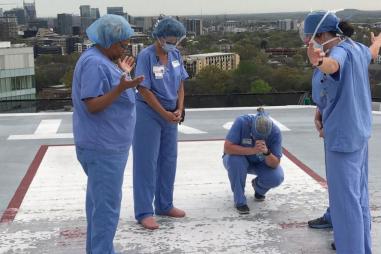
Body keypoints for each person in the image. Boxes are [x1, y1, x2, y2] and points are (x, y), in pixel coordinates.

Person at [302, 10, 381, 254]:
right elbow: (371, 54)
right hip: (358, 134)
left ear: (322, 34)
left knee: (345, 205)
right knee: (358, 198)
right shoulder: (356, 48)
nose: (307, 41)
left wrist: (317, 61)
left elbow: (332, 66)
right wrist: (378, 41)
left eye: (309, 36)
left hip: (342, 138)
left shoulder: (337, 53)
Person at [72, 14, 144, 254]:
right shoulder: (95, 63)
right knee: (106, 209)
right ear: (108, 40)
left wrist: (121, 76)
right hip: (103, 147)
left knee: (98, 205)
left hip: (105, 145)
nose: (124, 48)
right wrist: (122, 87)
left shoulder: (100, 59)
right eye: (122, 44)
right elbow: (92, 105)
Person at [132, 17, 188, 230]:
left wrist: (179, 109)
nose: (174, 44)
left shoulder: (175, 54)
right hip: (149, 113)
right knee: (146, 162)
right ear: (160, 37)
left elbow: (180, 83)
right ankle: (144, 212)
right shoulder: (146, 56)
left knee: (168, 160)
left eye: (177, 40)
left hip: (171, 113)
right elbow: (143, 89)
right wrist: (163, 113)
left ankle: (165, 204)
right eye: (171, 40)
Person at [222, 108, 284, 214]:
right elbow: (227, 148)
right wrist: (252, 150)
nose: (258, 139)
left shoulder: (276, 132)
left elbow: (275, 164)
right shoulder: (242, 122)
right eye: (255, 136)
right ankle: (240, 201)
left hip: (260, 162)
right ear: (251, 126)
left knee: (276, 177)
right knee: (235, 161)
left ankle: (259, 188)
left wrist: (267, 153)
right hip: (240, 159)